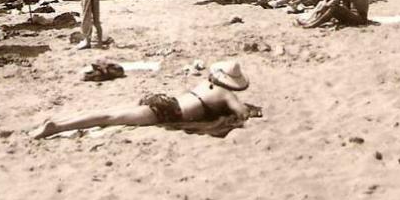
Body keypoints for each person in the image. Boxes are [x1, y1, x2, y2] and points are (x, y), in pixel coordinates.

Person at [32, 60, 259, 139]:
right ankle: (57, 127)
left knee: (111, 113)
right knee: (110, 117)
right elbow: (243, 114)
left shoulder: (206, 83)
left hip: (163, 99)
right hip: (169, 111)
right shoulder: (226, 94)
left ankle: (61, 122)